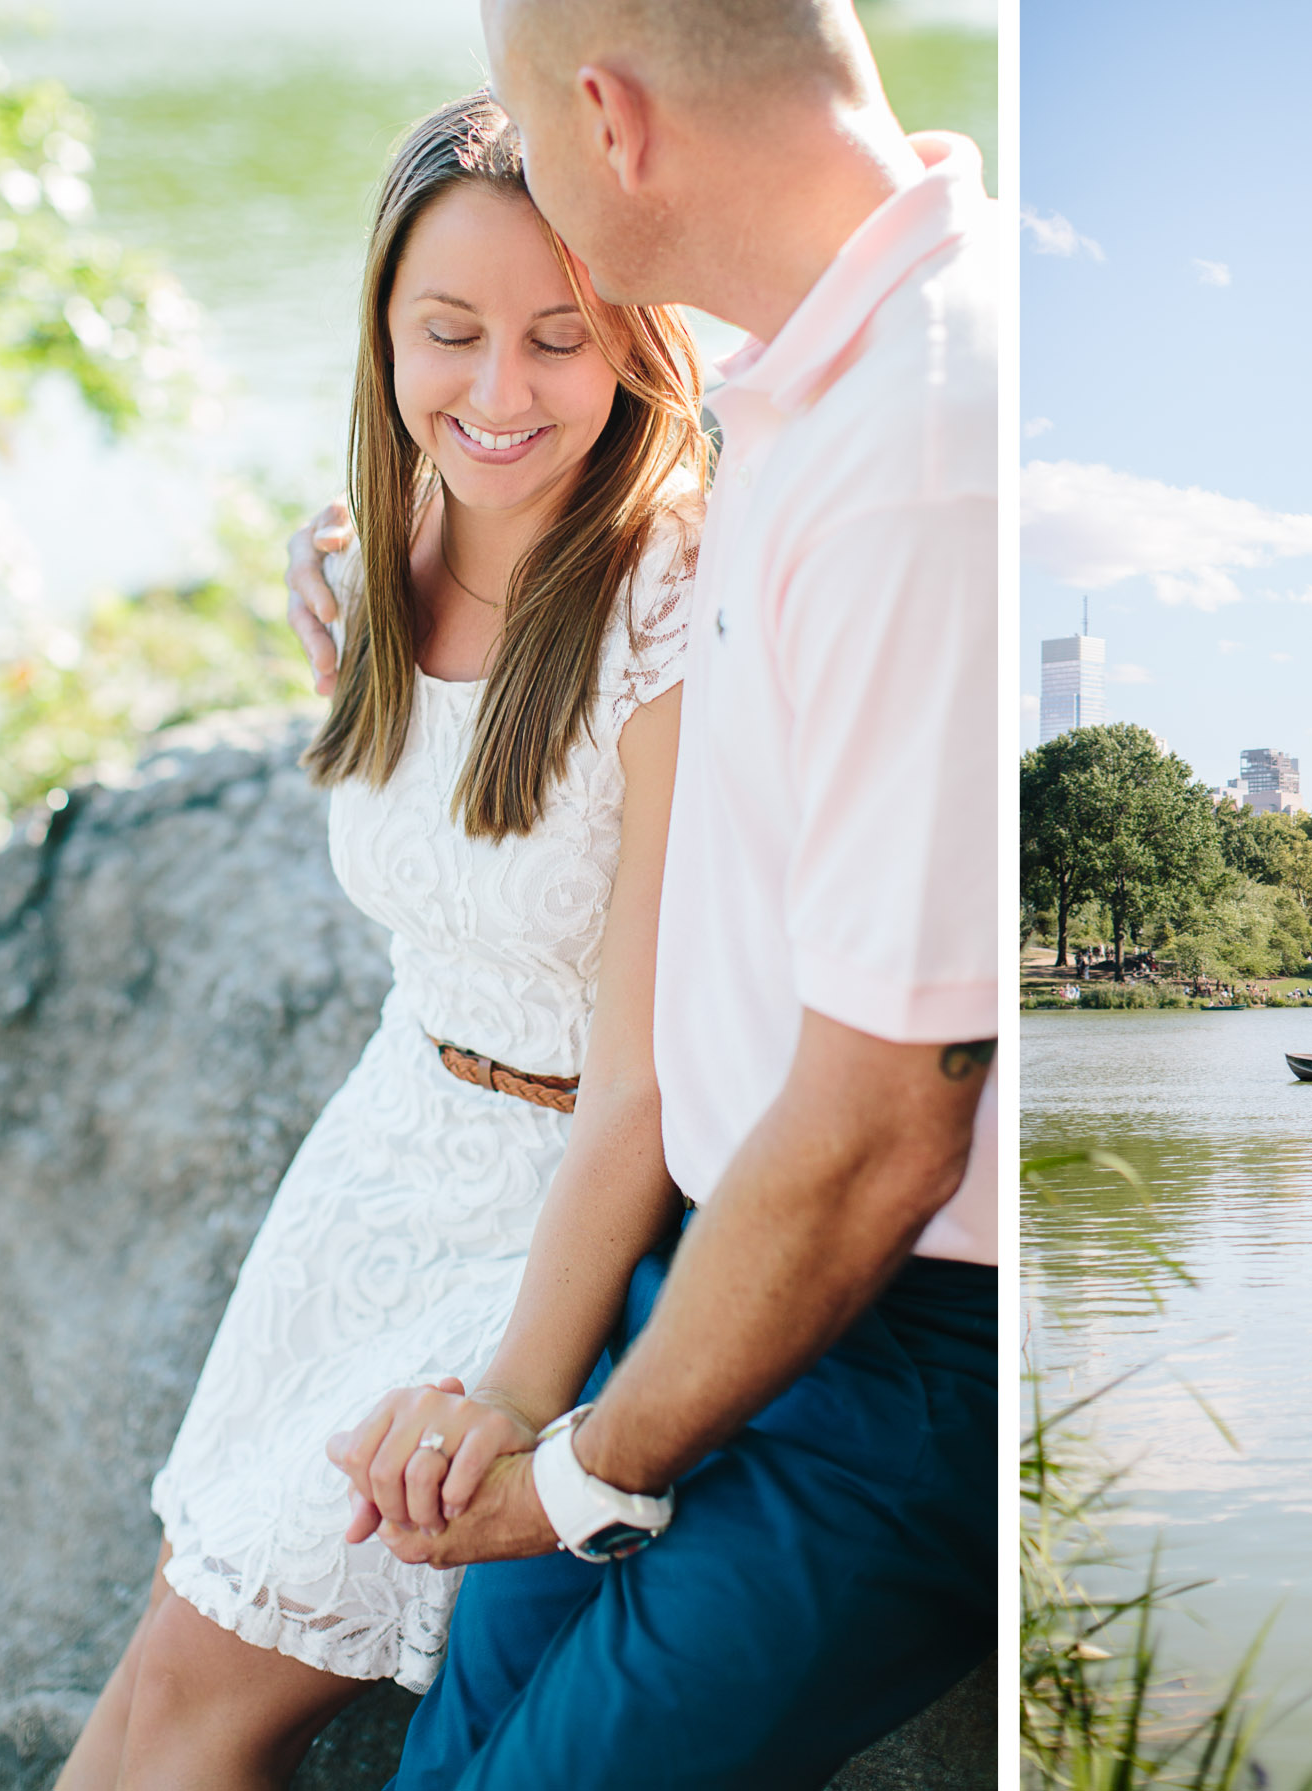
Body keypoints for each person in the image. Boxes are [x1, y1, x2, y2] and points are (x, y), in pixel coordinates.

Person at [287, 2, 998, 1784]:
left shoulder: (923, 450)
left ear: (601, 113)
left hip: (902, 1337)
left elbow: (878, 1136)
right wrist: (397, 547)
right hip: (701, 1272)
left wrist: (585, 1471)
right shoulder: (804, 380)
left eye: (522, 108)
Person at [57, 92, 708, 1788]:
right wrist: (343, 581)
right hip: (380, 1154)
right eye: (451, 334)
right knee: (152, 1680)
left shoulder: (667, 602)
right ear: (382, 335)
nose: (498, 393)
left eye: (560, 341)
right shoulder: (373, 560)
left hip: (552, 1208)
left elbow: (641, 1085)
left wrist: (513, 1394)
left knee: (198, 1711)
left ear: (636, 343)